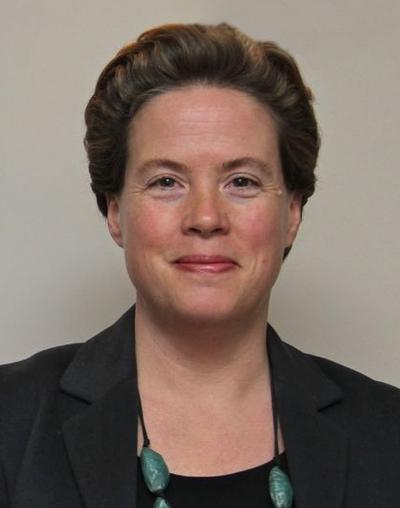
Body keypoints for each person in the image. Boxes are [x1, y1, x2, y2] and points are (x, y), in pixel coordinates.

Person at [0, 22, 399, 508]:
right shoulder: (10, 421)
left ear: (292, 214)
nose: (206, 218)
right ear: (115, 212)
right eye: (167, 182)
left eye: (242, 182)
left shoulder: (388, 433)